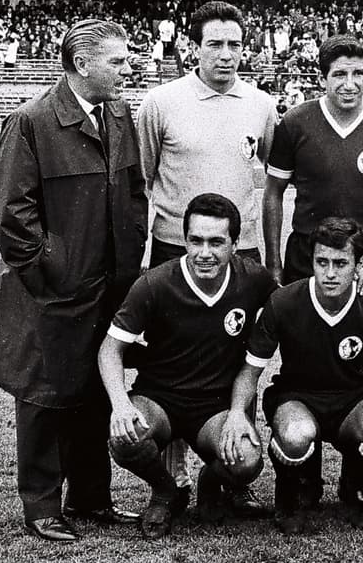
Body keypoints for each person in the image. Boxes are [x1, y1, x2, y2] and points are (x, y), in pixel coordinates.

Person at [0, 19, 148, 542]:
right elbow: (13, 215)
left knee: (97, 391)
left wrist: (127, 256)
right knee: (43, 396)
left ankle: (91, 497)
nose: (128, 69)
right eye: (117, 62)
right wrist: (50, 272)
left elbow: (134, 193)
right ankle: (41, 506)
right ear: (83, 65)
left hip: (109, 287)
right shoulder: (32, 122)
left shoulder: (121, 114)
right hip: (54, 293)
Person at [136, 1, 278, 505]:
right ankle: (169, 483)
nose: (226, 54)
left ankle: (228, 473)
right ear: (192, 47)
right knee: (170, 365)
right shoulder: (161, 103)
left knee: (245, 357)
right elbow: (145, 177)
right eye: (214, 44)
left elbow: (270, 172)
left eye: (234, 44)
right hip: (177, 248)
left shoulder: (260, 106)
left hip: (242, 254)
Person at [228, 217, 363, 534]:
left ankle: (354, 484)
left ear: (359, 264)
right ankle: (289, 494)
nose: (329, 273)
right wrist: (235, 412)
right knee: (296, 433)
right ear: (311, 260)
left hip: (352, 399)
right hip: (296, 397)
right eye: (321, 262)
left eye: (341, 263)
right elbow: (251, 370)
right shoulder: (285, 301)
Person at [97, 194, 277, 538]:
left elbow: (296, 304)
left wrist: (358, 281)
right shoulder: (156, 283)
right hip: (159, 399)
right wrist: (120, 404)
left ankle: (211, 481)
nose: (204, 253)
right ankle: (166, 491)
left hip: (216, 408)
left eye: (216, 242)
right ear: (185, 240)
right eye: (195, 240)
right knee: (126, 438)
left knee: (248, 459)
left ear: (235, 245)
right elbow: (110, 349)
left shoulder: (253, 279)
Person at [263, 35, 363, 296]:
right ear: (322, 78)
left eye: (358, 73)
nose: (350, 84)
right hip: (309, 247)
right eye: (339, 74)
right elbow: (273, 192)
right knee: (306, 332)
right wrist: (274, 260)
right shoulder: (295, 122)